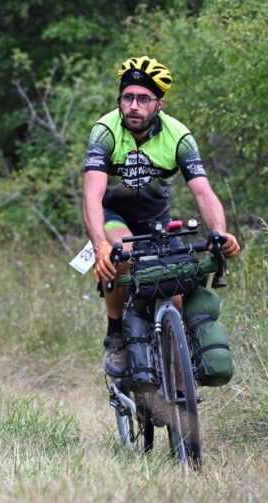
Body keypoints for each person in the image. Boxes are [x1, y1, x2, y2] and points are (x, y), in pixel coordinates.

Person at [82, 56, 241, 374]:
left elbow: (203, 193)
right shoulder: (105, 132)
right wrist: (99, 243)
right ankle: (115, 335)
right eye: (128, 97)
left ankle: (180, 400)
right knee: (121, 254)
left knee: (176, 295)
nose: (134, 106)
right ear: (120, 100)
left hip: (157, 221)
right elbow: (92, 194)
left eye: (143, 99)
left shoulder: (179, 136)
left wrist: (219, 232)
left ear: (159, 103)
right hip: (114, 216)